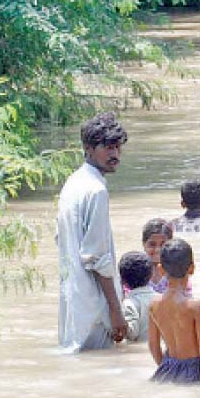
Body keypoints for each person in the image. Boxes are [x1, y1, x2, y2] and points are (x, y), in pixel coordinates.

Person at [57, 112, 128, 352]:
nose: (115, 154)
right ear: (88, 148)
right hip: (93, 305)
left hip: (73, 299)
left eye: (118, 147)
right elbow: (96, 257)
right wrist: (115, 310)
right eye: (107, 147)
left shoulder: (73, 183)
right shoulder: (96, 191)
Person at [149, 238, 200, 384]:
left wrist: (166, 366)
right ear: (192, 268)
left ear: (161, 269)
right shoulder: (196, 306)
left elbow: (153, 345)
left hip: (166, 368)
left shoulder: (153, 304)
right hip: (192, 370)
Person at [119, 251, 156, 343]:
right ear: (151, 275)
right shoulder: (161, 299)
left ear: (123, 281)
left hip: (139, 351)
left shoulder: (129, 303)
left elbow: (132, 333)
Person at [142, 218, 176, 293]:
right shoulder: (137, 270)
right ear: (144, 244)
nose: (158, 249)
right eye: (152, 244)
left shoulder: (176, 271)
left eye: (163, 244)